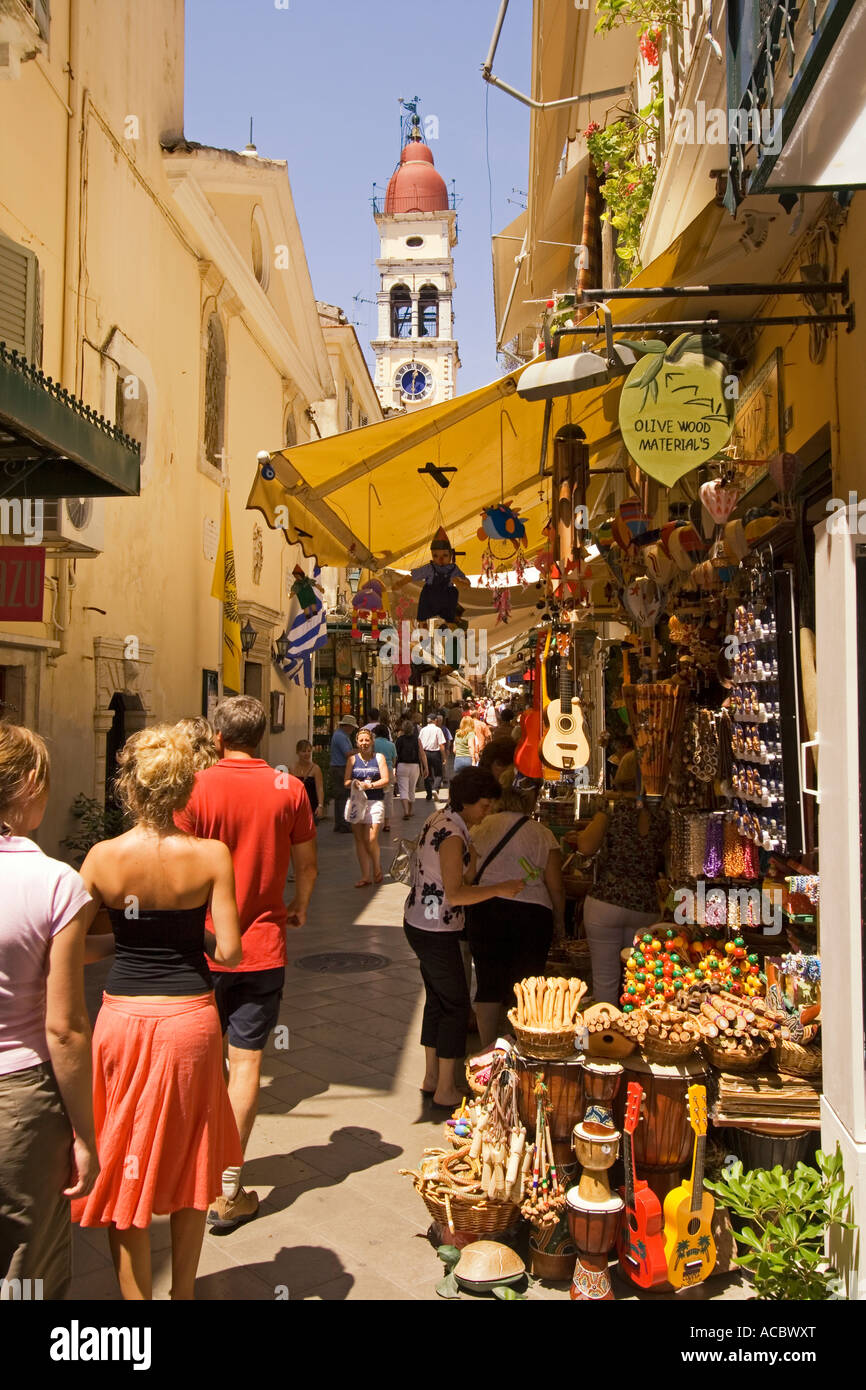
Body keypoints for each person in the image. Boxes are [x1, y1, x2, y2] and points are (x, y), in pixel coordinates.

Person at [72, 724, 243, 1300]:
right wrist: (185, 937)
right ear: (182, 789)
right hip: (191, 1019)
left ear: (130, 786)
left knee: (125, 1155)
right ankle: (184, 1294)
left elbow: (76, 947)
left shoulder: (102, 858)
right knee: (196, 1158)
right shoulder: (211, 855)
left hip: (122, 1018)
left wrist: (132, 939)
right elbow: (230, 951)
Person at [174, 696, 317, 1232]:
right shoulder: (289, 788)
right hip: (261, 946)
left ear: (217, 738)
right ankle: (228, 1189)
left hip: (203, 946)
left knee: (200, 1061)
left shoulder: (195, 787)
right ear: (262, 737)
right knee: (246, 1066)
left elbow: (179, 864)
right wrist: (298, 905)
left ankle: (193, 1171)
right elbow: (307, 863)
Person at [0, 724, 98, 1302]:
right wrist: (84, 1133)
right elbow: (64, 1029)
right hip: (18, 1100)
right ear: (33, 785)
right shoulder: (54, 883)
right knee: (25, 1262)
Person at [403, 767, 526, 1109]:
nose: (487, 813)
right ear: (469, 802)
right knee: (456, 1005)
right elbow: (457, 893)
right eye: (484, 806)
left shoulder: (444, 821)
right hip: (435, 928)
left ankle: (432, 1077)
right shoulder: (452, 835)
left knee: (438, 1001)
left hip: (422, 922)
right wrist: (500, 889)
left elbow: (465, 873)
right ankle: (446, 1087)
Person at [468, 773, 565, 1046]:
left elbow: (469, 872)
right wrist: (559, 919)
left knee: (488, 984)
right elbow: (555, 884)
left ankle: (488, 1046)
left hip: (486, 909)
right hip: (532, 916)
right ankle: (525, 1043)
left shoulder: (481, 827)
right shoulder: (542, 833)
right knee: (527, 983)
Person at [576, 755, 669, 1004]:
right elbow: (668, 860)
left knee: (605, 981)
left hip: (607, 898)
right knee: (637, 980)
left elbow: (585, 846)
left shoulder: (611, 808)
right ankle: (634, 1035)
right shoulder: (663, 813)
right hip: (645, 902)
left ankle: (606, 1035)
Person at [344, 727, 390, 887]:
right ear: (356, 742)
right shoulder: (352, 759)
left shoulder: (379, 758)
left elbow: (386, 779)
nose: (364, 743)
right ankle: (365, 875)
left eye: (367, 740)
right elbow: (346, 781)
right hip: (357, 802)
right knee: (359, 840)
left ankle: (377, 867)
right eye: (361, 740)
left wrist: (369, 785)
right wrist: (355, 783)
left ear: (372, 742)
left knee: (370, 839)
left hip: (375, 801)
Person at [394, 718, 428, 820]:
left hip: (402, 765)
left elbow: (396, 755)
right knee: (412, 788)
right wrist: (426, 767)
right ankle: (410, 810)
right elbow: (422, 754)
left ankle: (405, 811)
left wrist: (394, 767)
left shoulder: (399, 740)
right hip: (414, 766)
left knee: (403, 789)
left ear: (403, 729)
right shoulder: (417, 740)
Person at [329, 716, 358, 833]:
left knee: (340, 796)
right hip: (340, 768)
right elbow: (348, 753)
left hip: (339, 767)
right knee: (343, 796)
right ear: (347, 726)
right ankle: (343, 824)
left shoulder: (341, 735)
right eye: (351, 727)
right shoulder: (341, 736)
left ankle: (339, 823)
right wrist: (360, 751)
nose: (352, 730)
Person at [291, 740, 324, 823]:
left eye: (309, 751)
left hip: (311, 806)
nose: (306, 754)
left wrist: (320, 805)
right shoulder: (292, 768)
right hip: (296, 806)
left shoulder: (316, 769)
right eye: (303, 751)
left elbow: (319, 788)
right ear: (297, 752)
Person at [373, 722, 397, 833]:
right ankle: (387, 824)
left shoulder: (373, 744)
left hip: (375, 770)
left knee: (374, 797)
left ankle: (375, 821)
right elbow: (393, 760)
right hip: (388, 771)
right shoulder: (391, 745)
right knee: (388, 798)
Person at [419, 713, 447, 801]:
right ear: (435, 720)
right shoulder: (438, 730)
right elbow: (441, 744)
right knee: (439, 773)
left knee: (426, 773)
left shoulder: (423, 730)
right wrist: (444, 757)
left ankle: (429, 794)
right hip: (435, 753)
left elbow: (419, 743)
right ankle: (435, 788)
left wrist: (420, 755)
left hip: (425, 753)